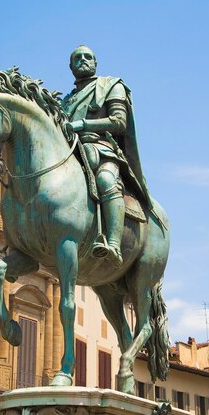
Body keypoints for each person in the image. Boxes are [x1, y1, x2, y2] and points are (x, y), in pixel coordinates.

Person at [62, 45, 151, 267]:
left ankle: (113, 243)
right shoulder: (66, 101)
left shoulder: (111, 86)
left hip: (101, 150)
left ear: (95, 63)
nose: (83, 60)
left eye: (88, 57)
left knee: (105, 180)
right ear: (70, 66)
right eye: (77, 58)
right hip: (72, 152)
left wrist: (82, 124)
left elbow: (119, 122)